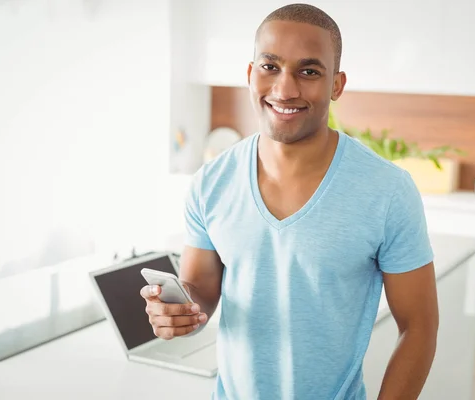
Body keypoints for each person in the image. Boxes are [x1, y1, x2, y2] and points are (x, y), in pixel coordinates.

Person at [140, 3, 439, 399]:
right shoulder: (210, 183)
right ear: (250, 75)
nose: (285, 89)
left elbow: (419, 327)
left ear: (336, 85)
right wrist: (179, 311)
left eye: (309, 71)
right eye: (270, 67)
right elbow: (203, 290)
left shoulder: (387, 191)